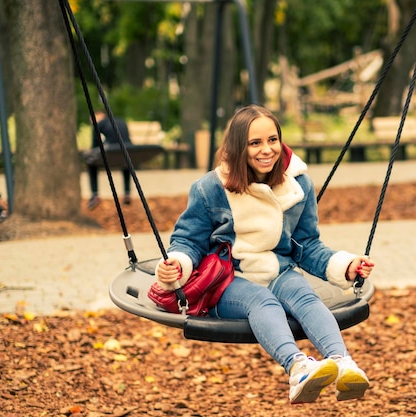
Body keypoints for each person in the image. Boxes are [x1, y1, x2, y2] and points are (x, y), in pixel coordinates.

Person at [155, 104, 375, 404]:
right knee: (264, 302)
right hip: (228, 278)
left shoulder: (297, 184)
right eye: (254, 143)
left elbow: (306, 244)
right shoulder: (211, 188)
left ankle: (343, 363)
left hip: (277, 270)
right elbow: (187, 240)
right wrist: (176, 265)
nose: (266, 150)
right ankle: (297, 367)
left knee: (306, 297)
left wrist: (346, 266)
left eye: (272, 139)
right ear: (238, 147)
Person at [87, 110, 132, 209]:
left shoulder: (98, 124)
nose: (91, 121)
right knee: (126, 163)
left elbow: (94, 147)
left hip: (111, 153)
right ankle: (127, 193)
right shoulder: (120, 121)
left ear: (99, 116)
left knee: (91, 163)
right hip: (129, 152)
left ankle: (95, 194)